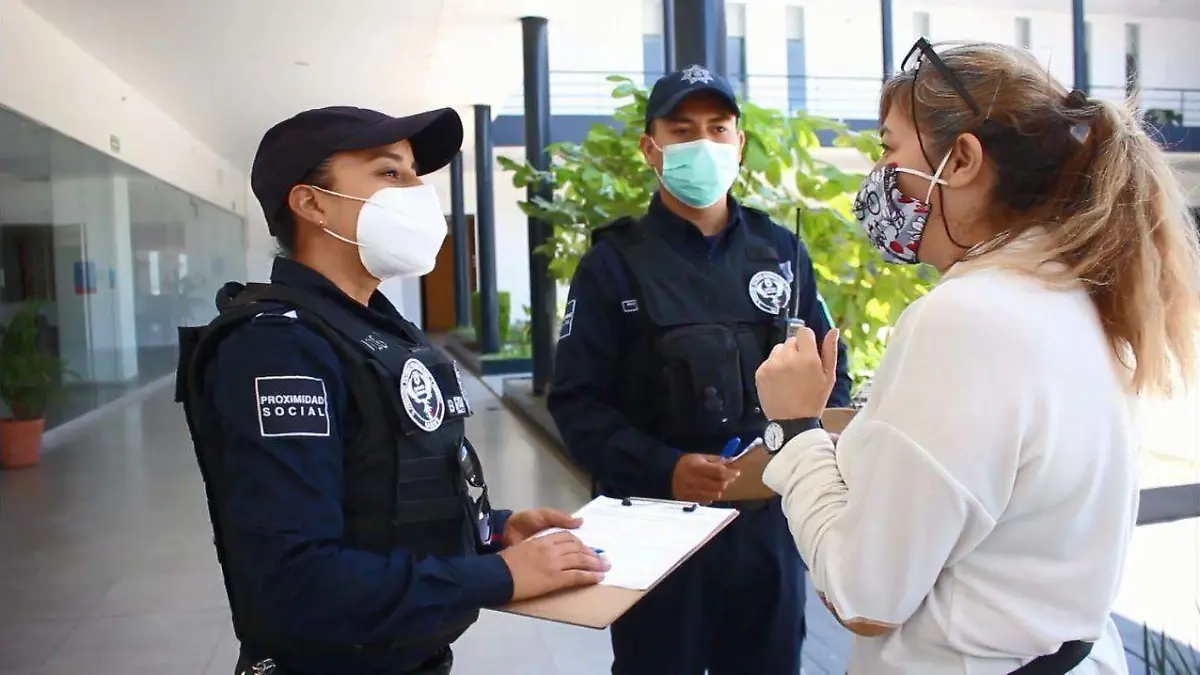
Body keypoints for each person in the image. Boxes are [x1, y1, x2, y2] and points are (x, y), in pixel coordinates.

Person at [755, 39, 1200, 675]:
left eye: (888, 148)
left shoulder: (969, 318)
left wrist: (796, 428)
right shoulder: (1069, 293)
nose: (877, 175)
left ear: (961, 159)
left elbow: (864, 596)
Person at [174, 105, 609, 675]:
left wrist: (490, 530)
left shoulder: (373, 329)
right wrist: (498, 576)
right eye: (390, 173)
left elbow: (383, 493)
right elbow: (295, 583)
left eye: (414, 173)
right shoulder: (278, 349)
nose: (418, 190)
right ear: (311, 203)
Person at [548, 65, 852, 675]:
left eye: (718, 128)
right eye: (682, 130)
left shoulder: (782, 251)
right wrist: (665, 467)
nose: (704, 144)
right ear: (650, 147)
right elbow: (576, 404)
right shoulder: (614, 264)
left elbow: (830, 376)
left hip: (767, 527)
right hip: (656, 529)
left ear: (739, 143)